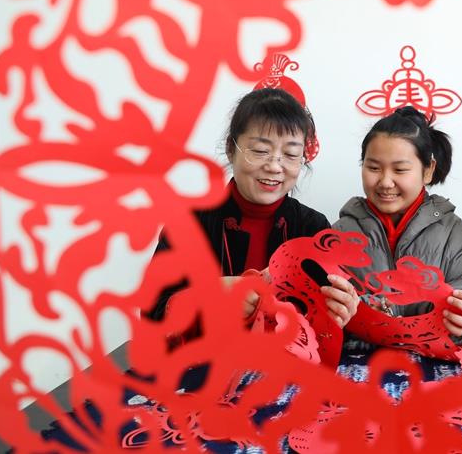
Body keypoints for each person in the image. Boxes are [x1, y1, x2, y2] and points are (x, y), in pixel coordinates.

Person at [147, 88, 359, 330]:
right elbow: (152, 314)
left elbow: (324, 320)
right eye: (260, 151)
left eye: (291, 154)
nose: (274, 167)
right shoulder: (189, 223)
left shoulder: (313, 227)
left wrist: (342, 310)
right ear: (231, 149)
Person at [333, 106, 462, 344]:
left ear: (428, 171)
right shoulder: (340, 233)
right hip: (360, 362)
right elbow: (321, 301)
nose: (385, 182)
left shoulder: (452, 232)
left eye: (400, 169)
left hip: (435, 362)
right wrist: (345, 310)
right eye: (373, 168)